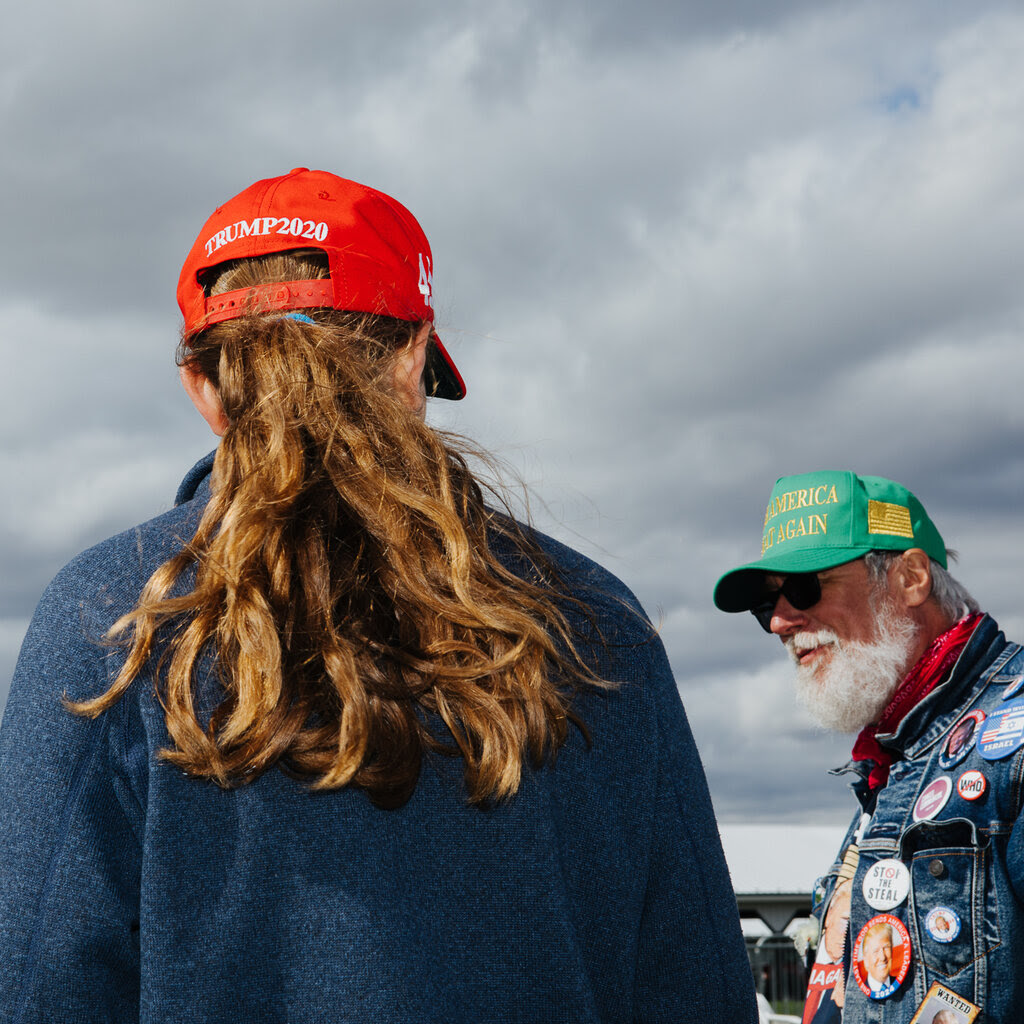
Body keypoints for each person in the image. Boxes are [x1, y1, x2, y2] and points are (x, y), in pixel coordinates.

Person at [0, 168, 756, 1023]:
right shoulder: (597, 620)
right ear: (411, 357)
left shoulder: (109, 614)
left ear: (203, 387)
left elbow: (36, 987)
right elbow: (696, 990)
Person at [713, 470, 1024, 1023]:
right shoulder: (894, 762)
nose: (779, 622)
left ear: (909, 578)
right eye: (768, 605)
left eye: (806, 585)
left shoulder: (1011, 734)